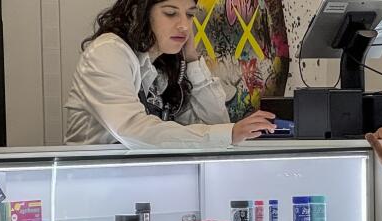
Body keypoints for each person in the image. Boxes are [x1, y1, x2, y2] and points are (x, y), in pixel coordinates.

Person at [65, 0, 276, 149]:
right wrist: (228, 133)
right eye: (170, 13)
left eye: (190, 14)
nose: (184, 25)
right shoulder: (108, 51)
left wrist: (192, 58)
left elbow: (213, 122)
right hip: (91, 184)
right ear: (141, 12)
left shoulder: (163, 64)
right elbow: (133, 130)